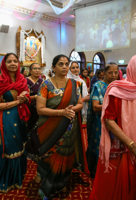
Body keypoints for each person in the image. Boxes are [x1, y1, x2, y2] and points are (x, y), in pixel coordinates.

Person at [89, 53, 136, 200]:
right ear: (133, 69)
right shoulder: (117, 90)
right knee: (112, 187)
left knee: (133, 186)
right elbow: (109, 121)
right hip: (119, 145)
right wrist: (132, 145)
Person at [36, 54, 89, 199]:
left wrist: (70, 111)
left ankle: (61, 183)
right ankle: (46, 187)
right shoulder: (46, 85)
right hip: (49, 127)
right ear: (53, 67)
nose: (65, 67)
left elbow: (80, 103)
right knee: (50, 157)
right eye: (61, 64)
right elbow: (40, 109)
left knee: (65, 157)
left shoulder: (75, 84)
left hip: (69, 127)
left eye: (66, 64)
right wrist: (61, 112)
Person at [0, 53, 31, 193]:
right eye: (9, 61)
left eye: (15, 61)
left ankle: (18, 177)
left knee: (20, 146)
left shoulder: (22, 79)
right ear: (4, 64)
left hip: (20, 117)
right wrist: (16, 101)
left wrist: (25, 98)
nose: (13, 63)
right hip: (6, 119)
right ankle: (7, 181)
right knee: (9, 149)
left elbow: (26, 98)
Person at [86, 62, 119, 178]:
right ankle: (96, 171)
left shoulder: (119, 86)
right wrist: (114, 107)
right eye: (111, 72)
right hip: (100, 122)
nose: (114, 75)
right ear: (105, 73)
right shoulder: (98, 86)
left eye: (116, 72)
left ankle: (110, 170)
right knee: (99, 147)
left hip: (116, 122)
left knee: (114, 146)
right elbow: (95, 107)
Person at [67, 61, 90, 151]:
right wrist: (84, 100)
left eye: (77, 67)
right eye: (73, 68)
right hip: (69, 109)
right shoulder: (66, 80)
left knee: (77, 132)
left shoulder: (81, 81)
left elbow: (84, 96)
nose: (76, 69)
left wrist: (83, 100)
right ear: (69, 69)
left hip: (79, 110)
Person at [25, 63, 43, 154]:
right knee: (31, 127)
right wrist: (37, 96)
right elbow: (26, 97)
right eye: (35, 68)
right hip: (30, 108)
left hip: (41, 108)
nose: (37, 70)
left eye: (39, 68)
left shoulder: (42, 81)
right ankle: (30, 148)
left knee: (40, 128)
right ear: (30, 71)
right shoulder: (26, 81)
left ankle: (38, 147)